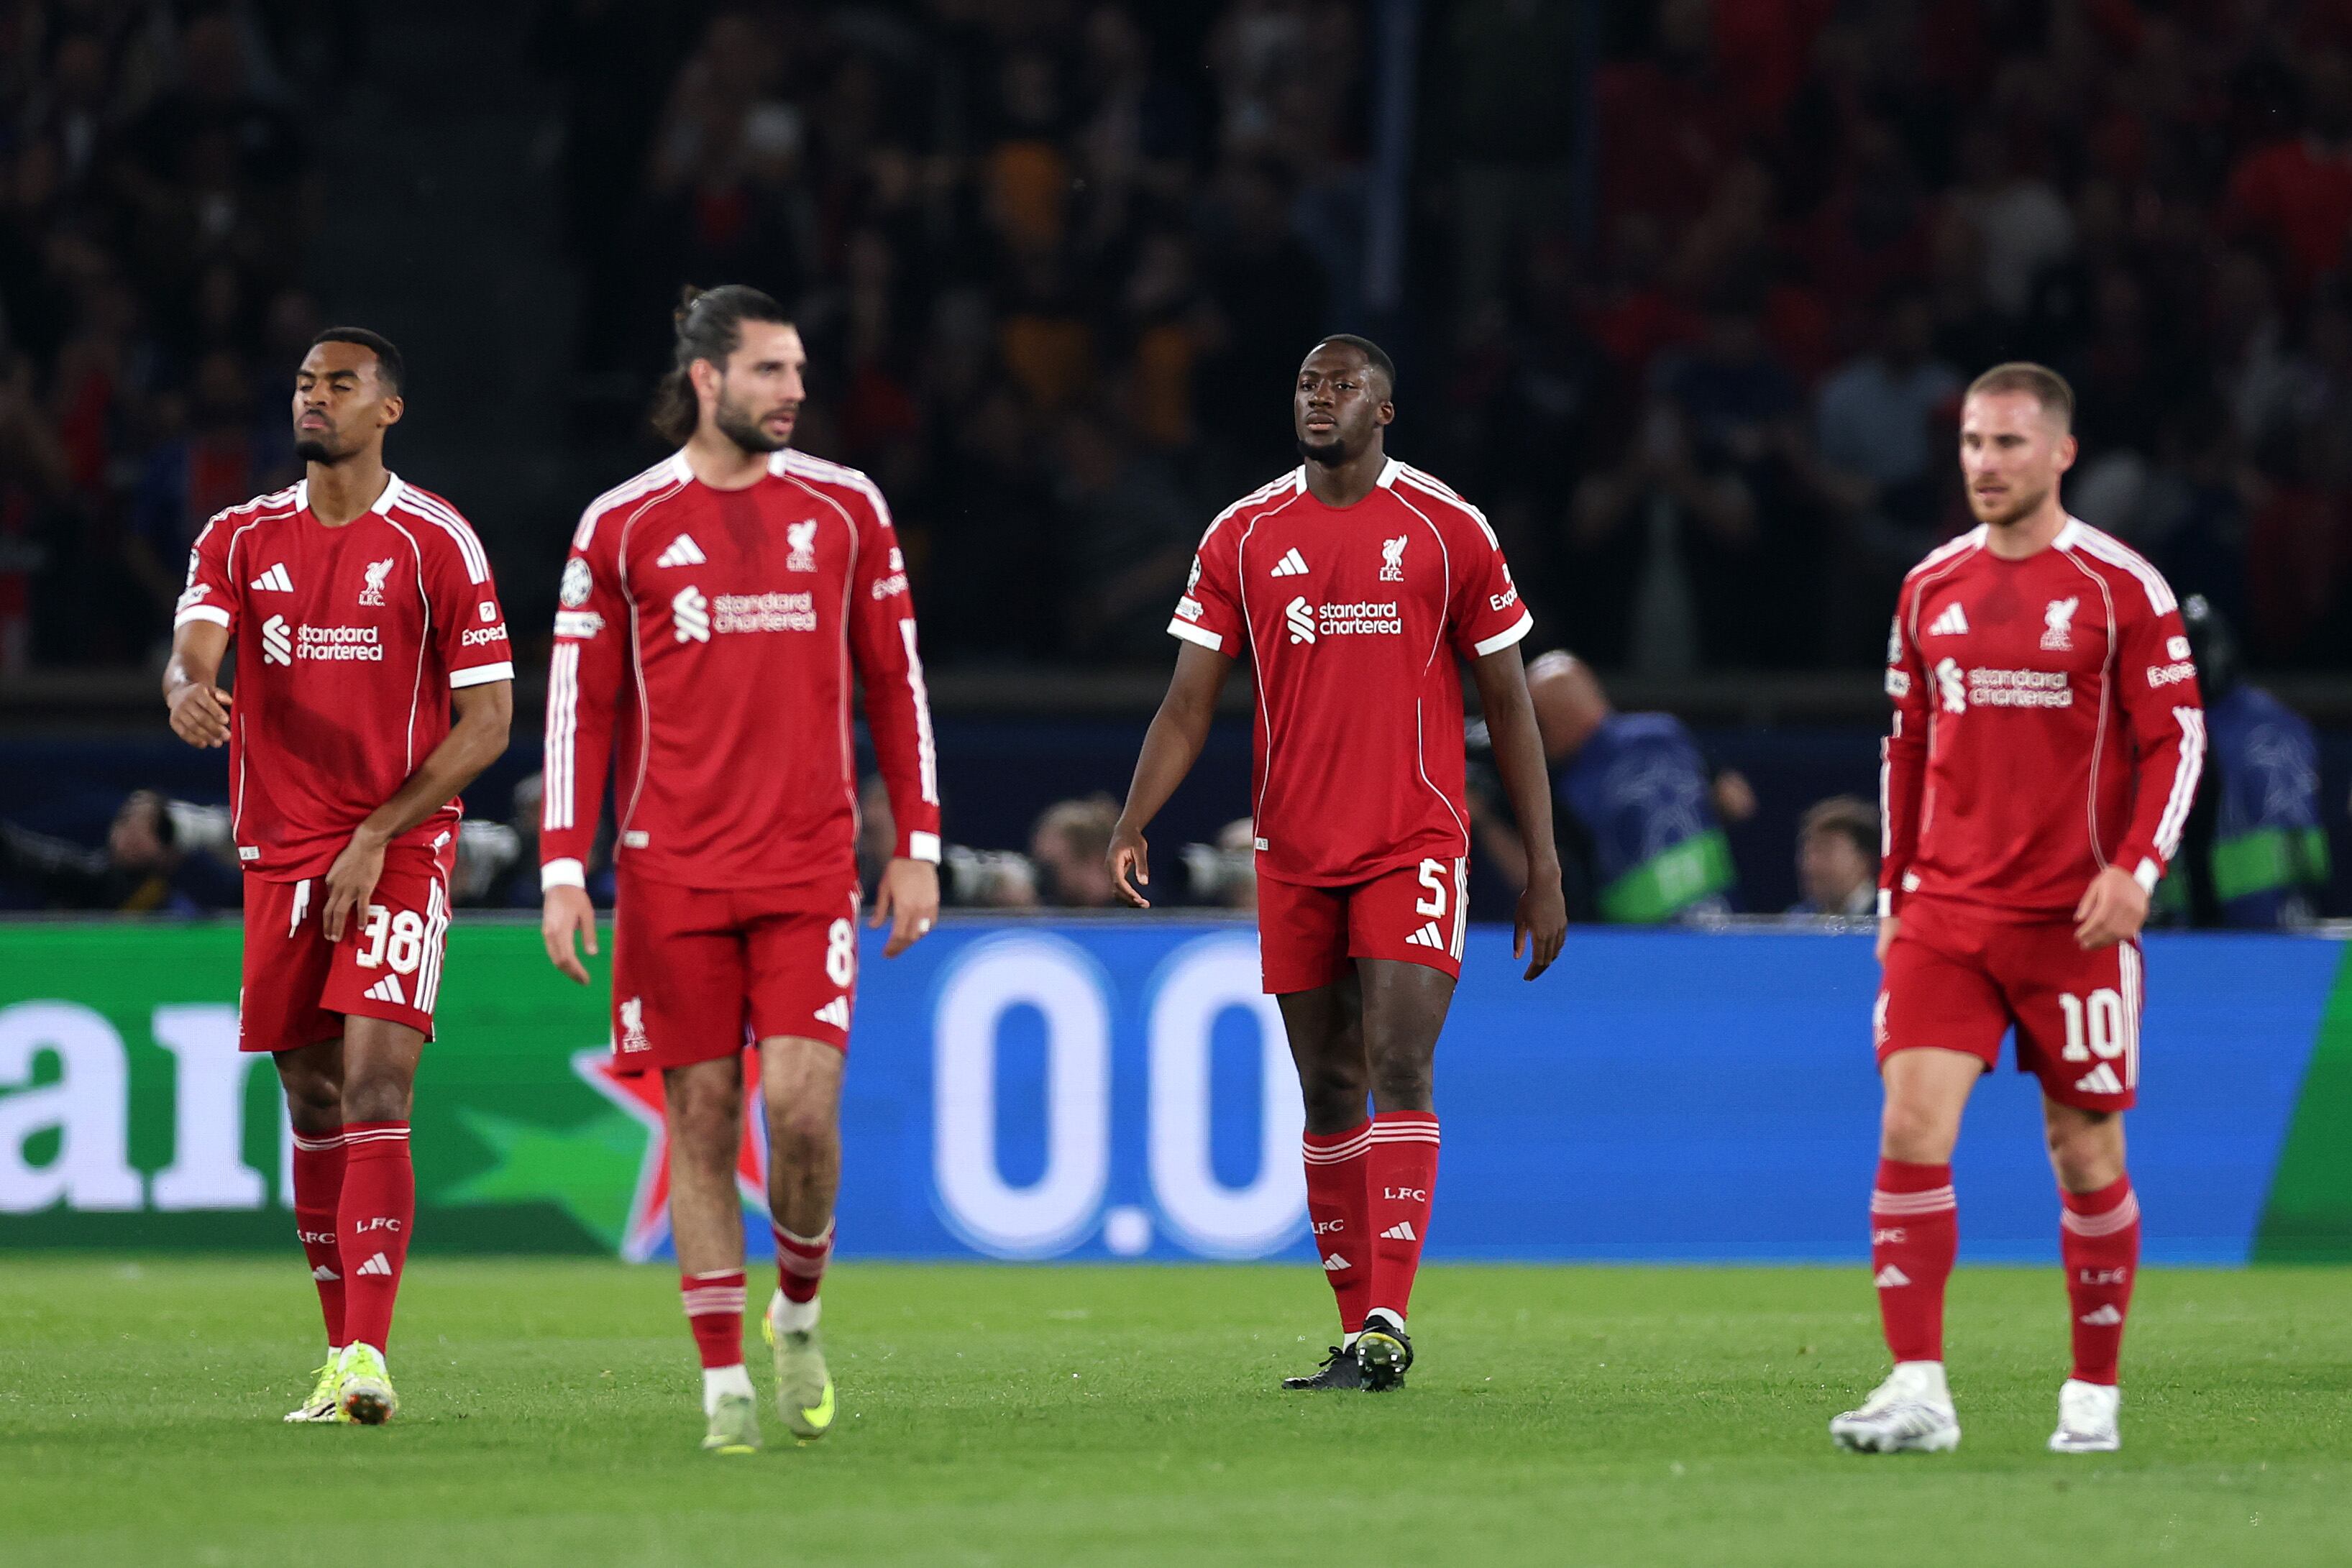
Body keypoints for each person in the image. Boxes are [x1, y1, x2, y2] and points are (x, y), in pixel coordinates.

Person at [1107, 335, 1567, 1393]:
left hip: (1412, 841)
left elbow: (1507, 703)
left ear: (1384, 410)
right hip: (1293, 851)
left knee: (1399, 1063)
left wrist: (1539, 863)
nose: (1321, 399)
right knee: (1325, 1088)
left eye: (1342, 385)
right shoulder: (1242, 531)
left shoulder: (1448, 530)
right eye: (1307, 383)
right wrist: (1134, 817)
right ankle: (1357, 1325)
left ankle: (1388, 1318)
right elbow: (1188, 700)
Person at [538, 285, 941, 1456]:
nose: (796, 391)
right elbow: (583, 706)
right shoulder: (618, 527)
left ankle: (798, 1310)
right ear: (707, 380)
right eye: (771, 371)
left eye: (800, 370)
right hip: (670, 878)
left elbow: (895, 685)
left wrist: (913, 844)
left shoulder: (847, 508)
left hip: (808, 865)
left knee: (800, 1113)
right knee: (702, 1121)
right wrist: (566, 867)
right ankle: (722, 1385)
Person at [1834, 363, 2203, 1457]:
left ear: (2058, 454)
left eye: (2004, 444)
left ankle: (2090, 1394)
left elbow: (2173, 740)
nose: (1983, 465)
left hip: (2072, 924)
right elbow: (1903, 747)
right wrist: (1895, 893)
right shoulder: (1928, 588)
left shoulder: (2117, 587)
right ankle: (1916, 1389)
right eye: (1969, 445)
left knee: (2082, 1149)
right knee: (1908, 1124)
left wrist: (2135, 868)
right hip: (1945, 912)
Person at [162, 329, 515, 1426]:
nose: (316, 399)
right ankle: (336, 1357)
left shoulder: (435, 542)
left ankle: (368, 1352)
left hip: (400, 845)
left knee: (374, 1085)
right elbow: (197, 644)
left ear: (387, 411)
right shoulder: (239, 533)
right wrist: (186, 686)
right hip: (281, 851)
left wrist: (379, 831)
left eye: (341, 385)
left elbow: (489, 721)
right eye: (308, 384)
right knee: (311, 1094)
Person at [1470, 651, 1740, 922]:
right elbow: (1738, 801)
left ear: (1562, 716)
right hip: (1717, 920)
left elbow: (1535, 877)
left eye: (1538, 723)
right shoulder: (1665, 731)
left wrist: (1484, 819)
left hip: (1629, 945)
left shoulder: (1564, 789)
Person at [2152, 596, 2325, 928]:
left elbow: (2298, 847)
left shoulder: (2270, 732)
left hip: (2270, 931)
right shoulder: (2161, 729)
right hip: (2181, 934)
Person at [0, 789, 240, 914]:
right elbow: (22, 854)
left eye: (154, 828)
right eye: (126, 819)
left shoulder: (191, 893)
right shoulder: (88, 877)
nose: (132, 833)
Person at [1790, 795, 1879, 918]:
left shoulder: (1891, 919)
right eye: (1806, 853)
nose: (1809, 864)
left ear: (1864, 861)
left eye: (1825, 851)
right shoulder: (1796, 921)